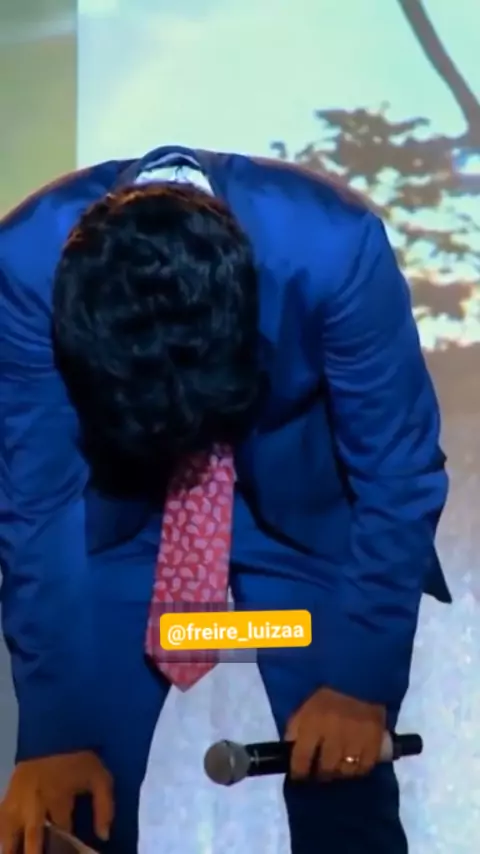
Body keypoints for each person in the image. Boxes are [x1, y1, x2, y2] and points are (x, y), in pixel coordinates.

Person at [0, 145, 450, 854]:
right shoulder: (26, 265)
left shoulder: (334, 248)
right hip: (120, 509)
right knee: (66, 798)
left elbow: (397, 472)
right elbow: (39, 502)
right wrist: (55, 726)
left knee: (342, 769)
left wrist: (360, 680)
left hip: (302, 512)